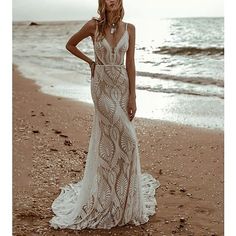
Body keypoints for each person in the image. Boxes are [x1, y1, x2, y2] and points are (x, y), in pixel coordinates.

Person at [49, 0, 161, 230]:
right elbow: (70, 45)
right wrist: (91, 62)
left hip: (121, 87)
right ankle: (107, 198)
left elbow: (130, 64)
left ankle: (119, 201)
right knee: (127, 141)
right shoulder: (93, 25)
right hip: (100, 87)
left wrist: (133, 97)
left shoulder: (130, 28)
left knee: (116, 143)